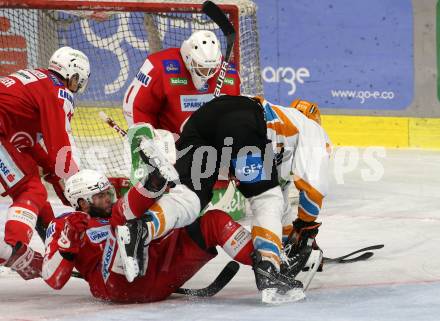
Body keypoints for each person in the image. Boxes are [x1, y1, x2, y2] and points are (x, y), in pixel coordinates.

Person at [114, 95, 329, 302]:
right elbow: (313, 189)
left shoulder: (282, 131)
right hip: (242, 121)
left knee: (190, 198)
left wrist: (292, 235)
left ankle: (140, 229)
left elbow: (280, 210)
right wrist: (306, 227)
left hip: (201, 120)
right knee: (265, 199)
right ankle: (269, 270)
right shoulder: (312, 129)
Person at [42, 168, 264, 303]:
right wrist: (68, 242)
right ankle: (153, 181)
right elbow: (53, 279)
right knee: (124, 219)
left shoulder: (115, 211)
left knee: (213, 221)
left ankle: (267, 266)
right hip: (117, 285)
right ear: (82, 203)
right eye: (100, 196)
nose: (108, 199)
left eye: (108, 193)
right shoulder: (65, 223)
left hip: (158, 272)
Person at [122, 30, 244, 219]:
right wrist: (150, 140)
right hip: (168, 143)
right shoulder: (160, 66)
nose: (206, 74)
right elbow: (135, 105)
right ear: (188, 58)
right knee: (157, 181)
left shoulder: (229, 75)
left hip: (203, 151)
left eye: (211, 69)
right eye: (201, 67)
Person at [0, 46, 90, 279]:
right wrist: (81, 191)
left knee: (28, 179)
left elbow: (30, 147)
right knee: (30, 188)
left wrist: (57, 179)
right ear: (74, 75)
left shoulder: (34, 80)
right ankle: (16, 249)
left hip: (3, 136)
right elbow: (61, 148)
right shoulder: (58, 91)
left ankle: (49, 239)